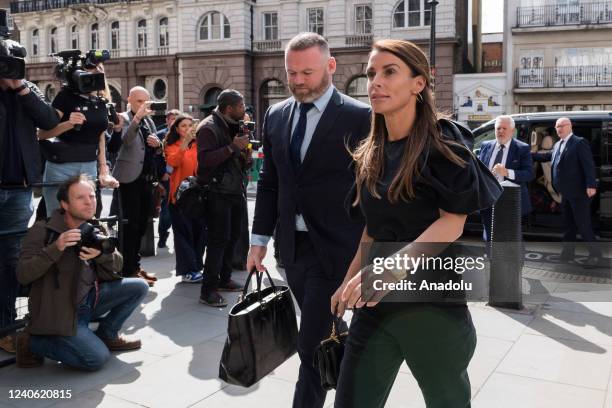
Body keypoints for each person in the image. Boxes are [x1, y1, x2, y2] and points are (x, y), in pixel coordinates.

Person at [331, 39, 501, 408]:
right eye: (371, 73)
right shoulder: (369, 152)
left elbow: (452, 223)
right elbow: (373, 229)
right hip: (375, 310)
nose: (375, 81)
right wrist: (348, 282)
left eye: (389, 72)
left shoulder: (443, 143)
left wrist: (393, 267)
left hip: (434, 311)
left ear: (419, 83)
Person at [247, 33, 371, 408]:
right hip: (291, 250)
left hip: (336, 250)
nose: (298, 80)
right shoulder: (275, 114)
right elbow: (271, 183)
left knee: (310, 346)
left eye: (307, 72)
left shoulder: (361, 116)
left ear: (330, 66)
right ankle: (357, 379)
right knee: (329, 333)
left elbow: (371, 191)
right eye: (291, 73)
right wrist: (258, 241)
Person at [15, 174, 148, 370]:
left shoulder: (94, 227)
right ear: (65, 204)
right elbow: (23, 274)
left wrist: (101, 255)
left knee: (139, 287)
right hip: (60, 311)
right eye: (80, 198)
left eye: (92, 196)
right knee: (96, 359)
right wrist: (55, 248)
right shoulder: (43, 230)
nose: (89, 202)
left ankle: (107, 334)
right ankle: (32, 342)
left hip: (89, 301)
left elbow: (118, 267)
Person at [0, 39, 60, 353]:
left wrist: (21, 87)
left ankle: (6, 326)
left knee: (11, 261)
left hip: (18, 189)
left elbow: (50, 121)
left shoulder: (25, 92)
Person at [39, 62, 119, 216]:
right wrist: (69, 124)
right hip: (61, 166)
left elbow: (100, 136)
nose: (95, 77)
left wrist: (103, 170)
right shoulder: (65, 97)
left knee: (86, 218)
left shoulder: (101, 101)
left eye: (99, 72)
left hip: (89, 167)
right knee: (58, 218)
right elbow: (42, 134)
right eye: (89, 73)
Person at [196, 89, 250, 307]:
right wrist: (232, 147)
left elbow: (237, 155)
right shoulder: (208, 127)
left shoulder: (234, 124)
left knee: (233, 236)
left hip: (234, 189)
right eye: (240, 106)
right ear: (229, 108)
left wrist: (245, 154)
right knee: (218, 240)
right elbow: (205, 160)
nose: (244, 109)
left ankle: (224, 278)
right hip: (217, 192)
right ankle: (208, 290)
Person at [532, 117, 600, 267]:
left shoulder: (579, 142)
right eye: (557, 127)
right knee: (568, 226)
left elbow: (588, 165)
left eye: (562, 126)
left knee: (583, 225)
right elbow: (547, 157)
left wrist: (591, 184)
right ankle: (567, 254)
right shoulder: (558, 144)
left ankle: (595, 255)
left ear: (569, 126)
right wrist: (529, 154)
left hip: (579, 193)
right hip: (565, 193)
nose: (559, 129)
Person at [112, 86, 162, 286]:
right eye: (139, 101)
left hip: (146, 179)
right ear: (129, 99)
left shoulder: (149, 120)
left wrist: (157, 144)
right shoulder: (123, 118)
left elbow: (154, 147)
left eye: (146, 101)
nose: (143, 105)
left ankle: (135, 266)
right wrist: (136, 119)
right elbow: (125, 141)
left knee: (142, 225)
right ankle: (127, 269)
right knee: (129, 227)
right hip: (128, 179)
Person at [164, 114, 207, 283]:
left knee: (199, 234)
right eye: (183, 126)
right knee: (183, 235)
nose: (188, 128)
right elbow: (173, 163)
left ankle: (196, 267)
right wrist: (184, 143)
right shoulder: (171, 145)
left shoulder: (199, 145)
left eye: (190, 125)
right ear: (176, 129)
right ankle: (188, 270)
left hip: (198, 196)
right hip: (180, 198)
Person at [478, 115, 534, 241]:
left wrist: (507, 172)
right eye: (498, 128)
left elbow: (529, 174)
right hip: (488, 198)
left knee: (509, 238)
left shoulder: (522, 148)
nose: (501, 131)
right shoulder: (485, 145)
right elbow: (479, 169)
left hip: (509, 200)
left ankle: (510, 260)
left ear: (512, 131)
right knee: (489, 235)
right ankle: (491, 259)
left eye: (504, 128)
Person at [156, 109, 181, 249]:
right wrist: (162, 174)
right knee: (165, 211)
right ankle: (162, 236)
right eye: (171, 118)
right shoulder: (160, 136)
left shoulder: (185, 136)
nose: (173, 121)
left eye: (176, 118)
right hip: (166, 179)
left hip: (182, 178)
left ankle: (179, 238)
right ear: (166, 120)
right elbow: (157, 158)